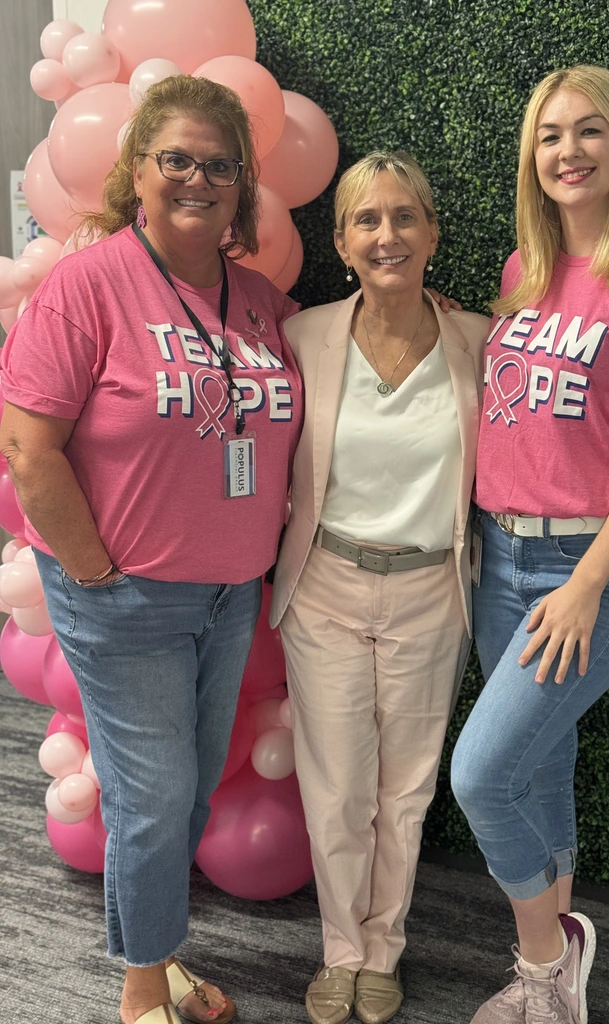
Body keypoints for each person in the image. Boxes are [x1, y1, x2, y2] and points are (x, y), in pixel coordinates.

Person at [0, 76, 302, 1024]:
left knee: (184, 793)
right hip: (125, 596)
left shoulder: (258, 301)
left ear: (241, 185)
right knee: (153, 797)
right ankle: (140, 995)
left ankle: (158, 954)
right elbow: (25, 447)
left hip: (230, 596)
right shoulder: (87, 286)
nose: (198, 179)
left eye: (219, 165)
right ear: (138, 170)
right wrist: (93, 574)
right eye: (177, 158)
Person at [450, 66, 609, 1024]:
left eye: (589, 131)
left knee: (481, 776)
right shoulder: (523, 269)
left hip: (588, 570)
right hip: (500, 557)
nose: (568, 151)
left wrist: (589, 583)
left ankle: (543, 960)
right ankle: (557, 975)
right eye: (551, 134)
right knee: (540, 763)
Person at [269, 151, 488, 1024]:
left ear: (432, 232)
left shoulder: (482, 341)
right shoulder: (303, 337)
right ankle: (342, 952)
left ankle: (384, 949)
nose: (387, 235)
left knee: (406, 789)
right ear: (341, 242)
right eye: (367, 220)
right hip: (325, 583)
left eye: (403, 217)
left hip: (434, 591)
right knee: (336, 789)